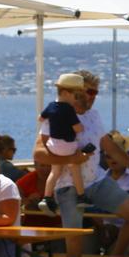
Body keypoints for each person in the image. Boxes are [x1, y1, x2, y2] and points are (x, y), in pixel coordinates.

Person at [32, 70, 129, 257]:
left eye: (94, 91)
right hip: (68, 187)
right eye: (86, 91)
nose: (90, 96)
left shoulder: (94, 116)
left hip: (95, 181)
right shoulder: (57, 113)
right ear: (75, 92)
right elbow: (39, 153)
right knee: (75, 253)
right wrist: (69, 159)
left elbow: (110, 147)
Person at [38, 73, 88, 215]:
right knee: (74, 167)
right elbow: (77, 128)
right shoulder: (68, 109)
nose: (76, 100)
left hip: (53, 145)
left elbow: (40, 118)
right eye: (75, 96)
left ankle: (47, 198)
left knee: (55, 172)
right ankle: (81, 196)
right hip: (68, 146)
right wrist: (82, 128)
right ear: (66, 93)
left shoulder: (51, 106)